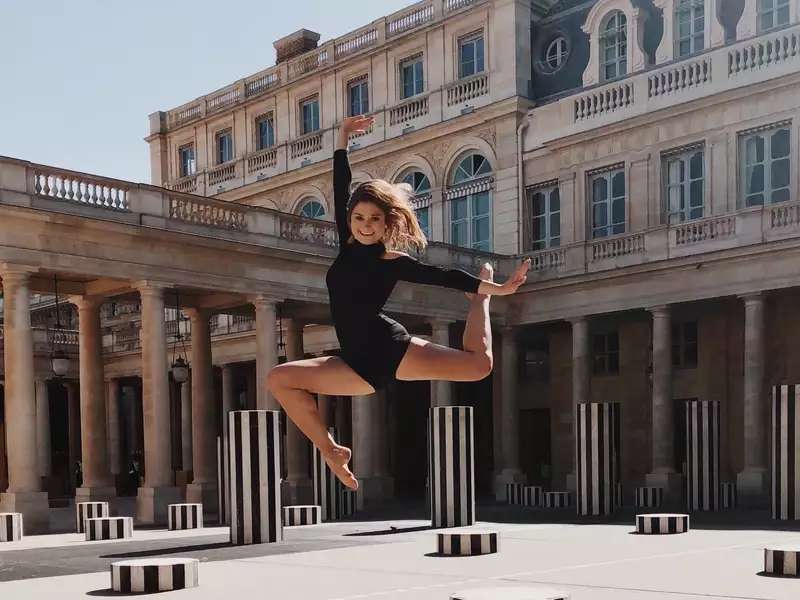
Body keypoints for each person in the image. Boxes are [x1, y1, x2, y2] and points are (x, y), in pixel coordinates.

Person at [268, 115, 530, 490]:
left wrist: (497, 291)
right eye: (359, 217)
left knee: (480, 367)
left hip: (390, 348)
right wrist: (342, 137)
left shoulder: (393, 262)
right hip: (355, 364)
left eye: (375, 219)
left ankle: (479, 302)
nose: (365, 225)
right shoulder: (346, 243)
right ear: (350, 220)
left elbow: (445, 277)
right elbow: (340, 185)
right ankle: (331, 451)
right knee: (279, 379)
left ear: (388, 223)